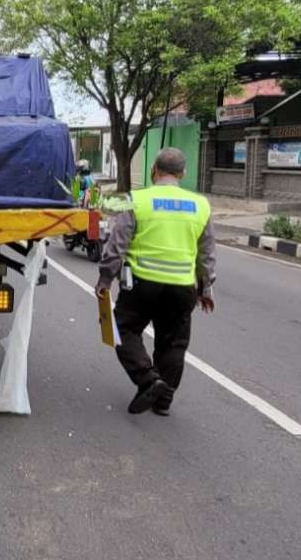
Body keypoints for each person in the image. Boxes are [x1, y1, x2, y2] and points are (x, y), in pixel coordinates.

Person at [95, 148, 215, 416]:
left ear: (154, 171)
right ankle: (163, 402)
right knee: (173, 343)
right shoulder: (201, 205)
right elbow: (206, 254)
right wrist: (205, 288)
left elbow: (117, 245)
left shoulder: (137, 200)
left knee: (122, 330)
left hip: (142, 285)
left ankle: (149, 380)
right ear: (182, 173)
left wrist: (105, 279)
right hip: (182, 288)